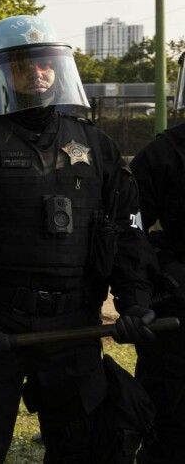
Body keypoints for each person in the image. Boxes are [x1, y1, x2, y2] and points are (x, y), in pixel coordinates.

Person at [0, 14, 158, 462]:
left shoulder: (97, 145)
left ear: (61, 68)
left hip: (75, 324)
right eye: (24, 63)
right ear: (0, 72)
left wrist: (136, 302)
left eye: (46, 62)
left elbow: (127, 230)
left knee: (84, 446)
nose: (38, 71)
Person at [127, 51, 185, 464]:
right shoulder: (165, 153)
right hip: (179, 315)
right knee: (169, 426)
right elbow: (128, 231)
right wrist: (167, 269)